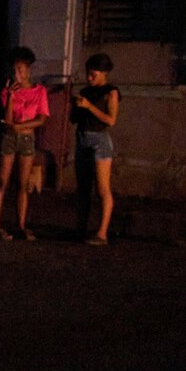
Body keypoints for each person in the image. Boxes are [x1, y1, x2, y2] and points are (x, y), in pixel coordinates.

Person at [0, 46, 47, 241]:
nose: (17, 74)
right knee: (2, 181)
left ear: (28, 70)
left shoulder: (39, 91)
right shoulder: (7, 91)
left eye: (20, 70)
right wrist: (11, 97)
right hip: (8, 138)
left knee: (23, 184)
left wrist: (20, 126)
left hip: (27, 139)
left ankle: (21, 225)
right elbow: (7, 120)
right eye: (14, 70)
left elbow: (41, 119)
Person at [72, 52, 120, 245]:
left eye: (93, 74)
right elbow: (75, 119)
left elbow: (111, 120)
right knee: (83, 188)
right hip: (82, 138)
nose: (89, 77)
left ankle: (102, 232)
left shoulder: (111, 92)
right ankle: (80, 228)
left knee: (102, 188)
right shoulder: (85, 92)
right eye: (88, 73)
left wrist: (89, 107)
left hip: (99, 141)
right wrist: (76, 107)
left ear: (103, 73)